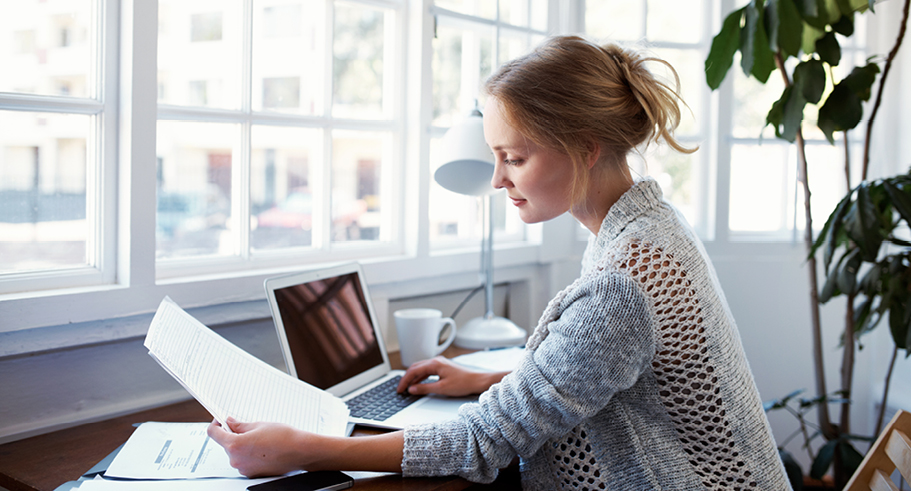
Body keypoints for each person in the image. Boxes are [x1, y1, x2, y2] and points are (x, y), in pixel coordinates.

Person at [208, 35, 791, 490]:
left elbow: (482, 443)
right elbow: (606, 375)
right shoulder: (651, 227)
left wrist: (306, 448)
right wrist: (490, 379)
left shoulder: (622, 284)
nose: (497, 179)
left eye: (513, 156)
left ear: (584, 147)